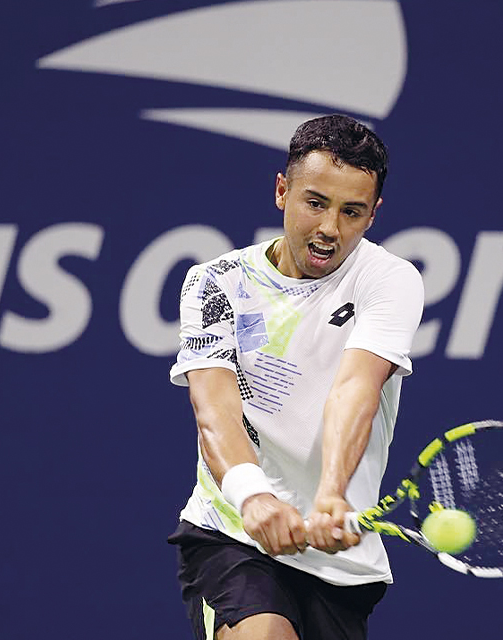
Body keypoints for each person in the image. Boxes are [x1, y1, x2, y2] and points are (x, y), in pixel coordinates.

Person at [166, 114, 425, 640]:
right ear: (282, 191)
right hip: (232, 533)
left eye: (351, 212)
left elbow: (356, 388)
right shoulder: (216, 282)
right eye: (316, 203)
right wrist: (252, 495)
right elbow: (214, 408)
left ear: (373, 215)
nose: (330, 228)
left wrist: (333, 494)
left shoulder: (391, 280)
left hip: (339, 566)